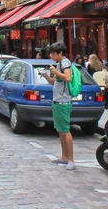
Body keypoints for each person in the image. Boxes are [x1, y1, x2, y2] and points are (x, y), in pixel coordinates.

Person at [41, 42, 76, 171]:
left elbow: (68, 78)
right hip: (57, 100)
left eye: (53, 53)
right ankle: (64, 157)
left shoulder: (65, 63)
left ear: (60, 53)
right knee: (61, 130)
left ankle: (70, 159)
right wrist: (46, 76)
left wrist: (55, 71)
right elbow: (55, 82)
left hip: (63, 101)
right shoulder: (59, 64)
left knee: (65, 130)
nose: (51, 56)